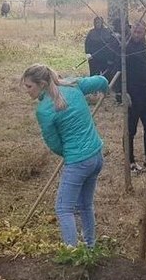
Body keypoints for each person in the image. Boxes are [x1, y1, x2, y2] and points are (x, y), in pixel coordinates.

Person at [22, 64, 109, 247]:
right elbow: (101, 80)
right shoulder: (73, 85)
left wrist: (70, 154)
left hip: (78, 162)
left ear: (43, 84)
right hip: (96, 156)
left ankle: (73, 253)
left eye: (29, 86)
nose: (26, 90)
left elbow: (54, 143)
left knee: (63, 209)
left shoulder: (44, 110)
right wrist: (105, 90)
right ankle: (90, 248)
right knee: (85, 205)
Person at [125, 20, 146, 174]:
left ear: (145, 32)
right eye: (135, 32)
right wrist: (123, 92)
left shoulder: (145, 45)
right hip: (132, 94)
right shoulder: (125, 48)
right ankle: (130, 161)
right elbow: (118, 70)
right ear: (131, 31)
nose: (137, 35)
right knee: (130, 129)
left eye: (140, 32)